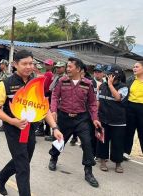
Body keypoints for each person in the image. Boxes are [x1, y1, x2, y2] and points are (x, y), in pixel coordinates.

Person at [0, 50, 63, 196]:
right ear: (15, 64)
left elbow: (44, 108)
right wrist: (12, 121)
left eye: (31, 63)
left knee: (23, 160)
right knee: (23, 167)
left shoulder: (36, 83)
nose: (29, 66)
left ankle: (0, 177)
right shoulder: (4, 84)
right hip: (13, 129)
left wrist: (54, 127)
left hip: (31, 128)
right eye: (24, 64)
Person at [48, 57, 101, 188]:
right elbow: (55, 96)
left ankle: (88, 171)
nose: (67, 69)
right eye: (67, 66)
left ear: (78, 69)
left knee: (87, 143)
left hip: (81, 118)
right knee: (60, 141)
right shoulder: (62, 81)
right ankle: (53, 158)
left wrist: (95, 118)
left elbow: (92, 103)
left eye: (70, 66)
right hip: (64, 117)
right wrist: (53, 110)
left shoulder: (88, 84)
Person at [96, 65, 128, 173]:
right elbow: (98, 101)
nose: (106, 76)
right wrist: (95, 116)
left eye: (109, 74)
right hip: (103, 119)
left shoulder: (124, 87)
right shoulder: (102, 86)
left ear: (116, 75)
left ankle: (118, 163)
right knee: (102, 141)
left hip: (118, 121)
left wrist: (110, 85)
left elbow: (118, 97)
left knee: (117, 143)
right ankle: (103, 161)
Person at [124, 61, 143, 160]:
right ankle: (126, 152)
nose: (134, 68)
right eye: (133, 67)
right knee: (129, 131)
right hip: (130, 107)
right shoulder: (130, 80)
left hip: (142, 108)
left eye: (137, 67)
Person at [45, 61, 67, 141]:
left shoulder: (65, 78)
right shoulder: (57, 76)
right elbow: (51, 88)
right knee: (54, 116)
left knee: (57, 118)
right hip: (54, 98)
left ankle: (55, 135)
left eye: (60, 67)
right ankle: (53, 134)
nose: (58, 69)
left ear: (64, 68)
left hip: (61, 101)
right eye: (57, 67)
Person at [35, 59, 54, 137]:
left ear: (51, 66)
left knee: (42, 111)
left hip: (45, 94)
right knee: (46, 111)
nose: (46, 65)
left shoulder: (48, 74)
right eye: (46, 64)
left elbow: (44, 86)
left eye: (48, 64)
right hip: (48, 95)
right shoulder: (49, 74)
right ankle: (47, 130)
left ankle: (41, 129)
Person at [0, 59, 9, 132]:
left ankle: (5, 125)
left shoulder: (7, 74)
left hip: (6, 95)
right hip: (1, 94)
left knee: (6, 110)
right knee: (3, 110)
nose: (0, 65)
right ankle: (4, 124)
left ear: (4, 65)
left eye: (1, 64)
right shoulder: (1, 73)